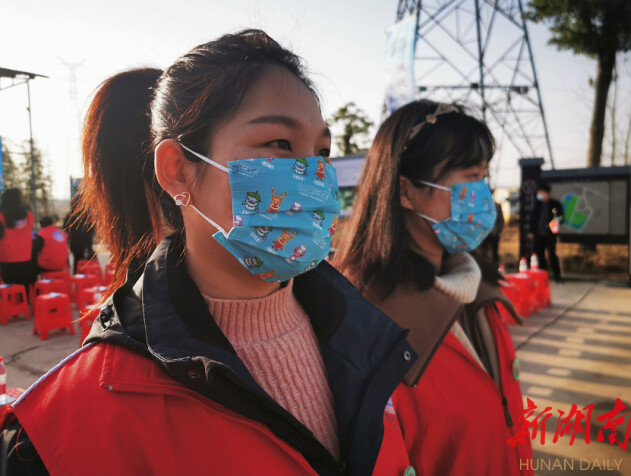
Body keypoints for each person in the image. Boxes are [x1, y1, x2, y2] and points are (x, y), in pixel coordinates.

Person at [0, 31, 416, 475]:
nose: (313, 175)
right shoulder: (66, 425)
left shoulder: (371, 343)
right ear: (177, 171)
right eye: (279, 144)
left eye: (322, 152)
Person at [333, 100, 533, 476]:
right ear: (406, 192)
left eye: (484, 177)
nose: (483, 195)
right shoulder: (372, 326)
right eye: (468, 178)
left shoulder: (479, 291)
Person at [529, 182, 563, 282]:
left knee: (552, 255)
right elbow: (533, 219)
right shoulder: (537, 204)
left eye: (541, 192)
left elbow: (561, 218)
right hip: (539, 234)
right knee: (540, 255)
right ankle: (543, 276)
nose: (539, 194)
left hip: (550, 235)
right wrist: (531, 231)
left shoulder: (555, 204)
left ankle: (557, 276)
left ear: (546, 193)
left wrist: (556, 222)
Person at [0, 188, 34, 288]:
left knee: (10, 288)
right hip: (25, 256)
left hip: (7, 257)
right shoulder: (29, 215)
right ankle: (25, 302)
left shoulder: (1, 216)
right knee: (23, 286)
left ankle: (11, 303)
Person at [63, 193, 95, 273]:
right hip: (87, 244)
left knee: (76, 261)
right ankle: (88, 279)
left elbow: (65, 229)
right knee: (87, 263)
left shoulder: (69, 216)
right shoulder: (87, 215)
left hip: (75, 244)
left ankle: (77, 278)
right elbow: (92, 230)